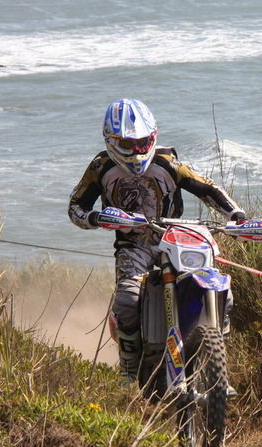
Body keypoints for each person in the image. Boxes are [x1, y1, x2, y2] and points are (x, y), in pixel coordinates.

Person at [68, 98, 247, 383]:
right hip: (133, 245)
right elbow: (75, 206)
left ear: (154, 137)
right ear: (111, 141)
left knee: (217, 286)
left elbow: (207, 188)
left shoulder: (167, 163)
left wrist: (236, 215)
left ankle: (218, 352)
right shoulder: (100, 168)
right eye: (129, 144)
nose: (138, 151)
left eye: (144, 142)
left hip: (176, 238)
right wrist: (97, 219)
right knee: (127, 301)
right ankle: (129, 369)